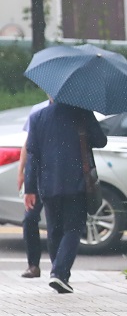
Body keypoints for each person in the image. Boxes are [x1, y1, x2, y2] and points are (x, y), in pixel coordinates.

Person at [24, 102, 107, 293]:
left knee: (54, 230)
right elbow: (101, 141)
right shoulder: (82, 113)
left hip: (48, 184)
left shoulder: (38, 117)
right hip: (76, 183)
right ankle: (59, 273)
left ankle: (59, 274)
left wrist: (30, 188)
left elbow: (32, 156)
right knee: (74, 228)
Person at [18, 99, 50, 278]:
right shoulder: (38, 110)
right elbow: (28, 144)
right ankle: (33, 265)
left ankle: (58, 268)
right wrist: (21, 171)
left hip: (57, 175)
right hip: (36, 174)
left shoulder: (72, 110)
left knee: (56, 223)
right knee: (30, 218)